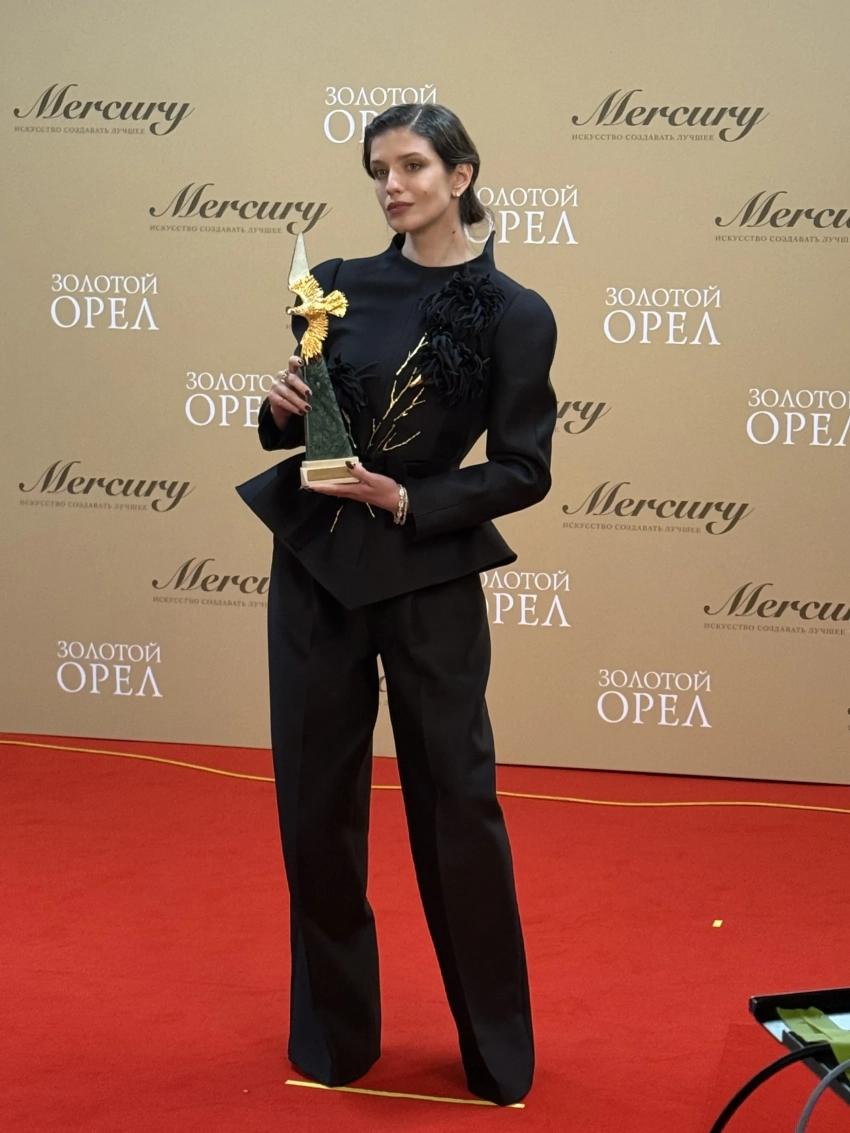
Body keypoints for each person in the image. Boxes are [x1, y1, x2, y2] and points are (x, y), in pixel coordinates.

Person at [237, 102, 557, 1106]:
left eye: (413, 166)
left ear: (460, 176)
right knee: (313, 811)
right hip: (316, 571)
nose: (392, 185)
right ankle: (334, 1040)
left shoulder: (513, 310)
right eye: (379, 168)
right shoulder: (332, 283)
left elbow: (524, 467)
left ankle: (496, 1054)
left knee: (458, 809)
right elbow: (299, 429)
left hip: (427, 575)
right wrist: (278, 407)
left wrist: (412, 498)